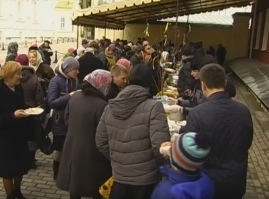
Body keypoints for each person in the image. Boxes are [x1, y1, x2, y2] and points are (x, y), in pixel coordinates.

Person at [96, 64, 171, 199]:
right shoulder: (154, 107)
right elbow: (160, 146)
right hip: (146, 182)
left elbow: (100, 141)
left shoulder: (110, 107)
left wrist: (119, 159)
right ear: (148, 85)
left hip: (119, 179)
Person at [183, 63, 253, 199]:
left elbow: (189, 150)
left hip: (207, 182)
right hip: (235, 181)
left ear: (203, 85)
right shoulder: (243, 110)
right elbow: (246, 141)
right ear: (225, 82)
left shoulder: (198, 113)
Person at [57, 69, 113, 199]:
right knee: (95, 185)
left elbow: (66, 119)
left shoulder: (75, 97)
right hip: (92, 151)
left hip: (72, 146)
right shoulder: (102, 105)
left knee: (74, 184)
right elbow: (104, 132)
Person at [0, 61, 32, 199]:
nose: (20, 77)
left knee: (20, 168)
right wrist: (12, 115)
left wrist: (29, 109)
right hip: (2, 139)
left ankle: (18, 191)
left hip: (18, 136)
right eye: (18, 74)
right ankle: (10, 195)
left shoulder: (18, 88)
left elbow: (21, 105)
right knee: (7, 171)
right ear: (9, 75)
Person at [151, 132, 214, 199]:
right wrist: (174, 151)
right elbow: (184, 161)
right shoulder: (206, 180)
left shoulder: (165, 192)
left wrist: (172, 151)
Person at [47, 57, 79, 180]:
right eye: (75, 69)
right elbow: (52, 102)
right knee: (60, 149)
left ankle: (67, 171)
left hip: (72, 120)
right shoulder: (55, 81)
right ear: (67, 69)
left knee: (70, 148)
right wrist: (69, 96)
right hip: (59, 121)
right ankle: (57, 172)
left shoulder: (75, 80)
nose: (78, 71)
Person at [15, 54, 45, 169]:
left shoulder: (14, 77)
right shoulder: (34, 78)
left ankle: (22, 158)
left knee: (20, 136)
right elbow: (40, 98)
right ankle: (31, 160)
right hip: (32, 112)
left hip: (17, 111)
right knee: (32, 137)